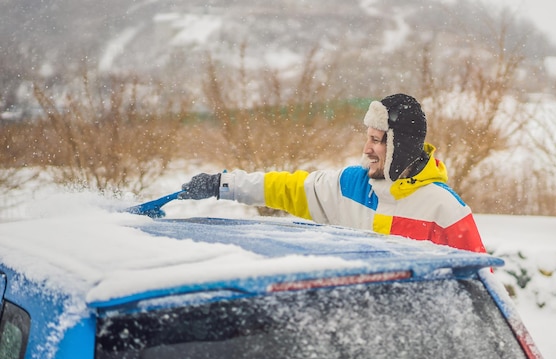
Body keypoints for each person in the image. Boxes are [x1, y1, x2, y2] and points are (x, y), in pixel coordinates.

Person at [179, 93, 486, 253]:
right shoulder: (350, 185)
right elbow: (286, 187)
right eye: (367, 137)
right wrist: (224, 183)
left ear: (401, 148)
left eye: (377, 140)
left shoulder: (445, 210)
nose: (366, 149)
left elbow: (482, 290)